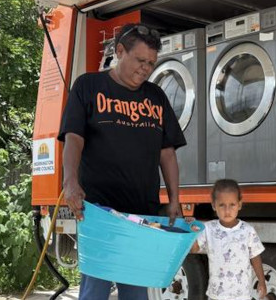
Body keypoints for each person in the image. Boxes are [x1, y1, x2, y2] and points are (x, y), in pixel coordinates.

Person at [58, 23, 187, 300]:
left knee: (136, 288)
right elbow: (74, 138)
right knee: (96, 287)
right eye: (140, 60)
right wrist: (70, 182)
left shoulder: (156, 96)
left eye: (151, 63)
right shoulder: (89, 86)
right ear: (119, 51)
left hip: (142, 210)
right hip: (99, 210)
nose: (146, 68)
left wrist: (175, 198)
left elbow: (167, 152)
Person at [190, 179, 268, 300]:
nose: (227, 211)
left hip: (241, 295)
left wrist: (262, 281)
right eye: (222, 205)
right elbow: (194, 249)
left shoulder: (247, 230)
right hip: (217, 294)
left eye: (232, 205)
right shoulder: (208, 228)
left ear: (239, 204)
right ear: (213, 205)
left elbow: (255, 256)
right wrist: (191, 233)